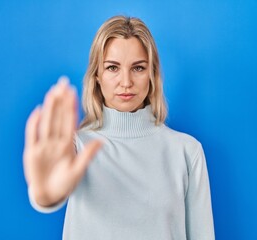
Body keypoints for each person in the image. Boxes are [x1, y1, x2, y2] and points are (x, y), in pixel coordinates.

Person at [23, 15, 215, 240]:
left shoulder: (187, 151)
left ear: (152, 75)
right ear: (97, 76)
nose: (126, 82)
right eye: (113, 68)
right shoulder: (76, 147)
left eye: (138, 68)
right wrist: (46, 195)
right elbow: (49, 192)